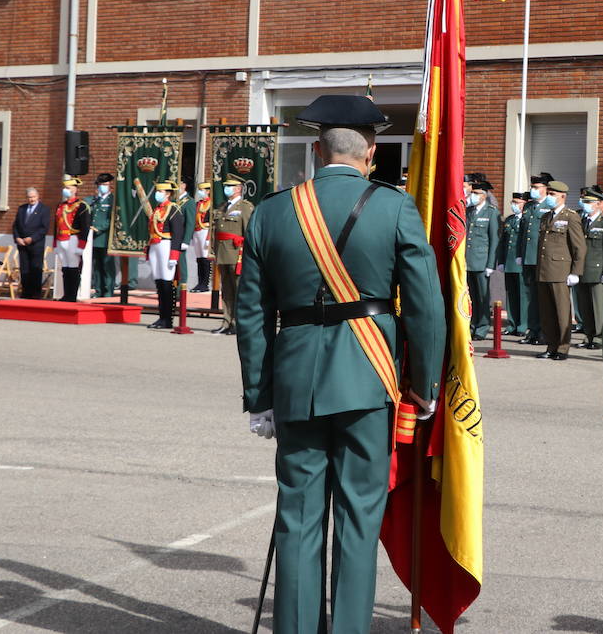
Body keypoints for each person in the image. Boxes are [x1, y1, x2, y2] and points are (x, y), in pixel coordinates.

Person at [234, 95, 445, 634]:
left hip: (297, 381)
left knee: (299, 517)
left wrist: (259, 398)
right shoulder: (395, 207)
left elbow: (252, 315)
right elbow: (424, 306)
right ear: (371, 154)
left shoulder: (274, 210)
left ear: (314, 150)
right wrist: (422, 386)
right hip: (369, 378)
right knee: (358, 517)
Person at [536, 179, 585, 360]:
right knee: (547, 313)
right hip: (544, 270)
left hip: (561, 271)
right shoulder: (545, 216)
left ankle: (563, 348)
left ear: (563, 196)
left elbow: (579, 247)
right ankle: (551, 346)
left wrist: (575, 271)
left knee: (562, 313)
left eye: (552, 194)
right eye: (548, 193)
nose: (549, 197)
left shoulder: (570, 217)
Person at [575, 185, 603, 350]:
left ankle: (599, 337)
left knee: (598, 307)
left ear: (598, 204)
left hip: (597, 271)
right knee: (585, 306)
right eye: (585, 201)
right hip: (582, 270)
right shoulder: (582, 221)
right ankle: (589, 335)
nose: (585, 204)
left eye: (589, 202)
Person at [210, 173, 253, 336]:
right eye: (226, 186)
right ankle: (226, 321)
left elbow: (248, 232)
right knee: (226, 290)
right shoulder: (222, 207)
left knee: (238, 290)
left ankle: (237, 322)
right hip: (223, 254)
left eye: (230, 186)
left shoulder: (245, 207)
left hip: (237, 255)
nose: (226, 189)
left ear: (239, 189)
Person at [144, 180, 185, 328]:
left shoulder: (173, 209)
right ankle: (161, 316)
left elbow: (178, 233)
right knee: (159, 282)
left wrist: (174, 255)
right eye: (158, 191)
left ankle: (168, 319)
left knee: (167, 282)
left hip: (166, 245)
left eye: (161, 192)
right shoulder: (157, 209)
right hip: (155, 245)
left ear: (168, 193)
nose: (158, 194)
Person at [518, 172, 553, 345]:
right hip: (528, 257)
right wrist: (519, 254)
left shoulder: (550, 206)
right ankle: (532, 330)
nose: (533, 190)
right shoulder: (529, 206)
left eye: (537, 187)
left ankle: (544, 332)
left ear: (546, 189)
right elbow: (523, 233)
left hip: (542, 258)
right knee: (531, 297)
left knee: (543, 298)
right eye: (532, 187)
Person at [465, 178, 499, 340]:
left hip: (481, 261)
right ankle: (472, 324)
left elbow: (494, 240)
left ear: (484, 195)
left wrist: (491, 264)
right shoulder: (469, 211)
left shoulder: (491, 212)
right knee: (470, 297)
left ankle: (483, 326)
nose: (474, 196)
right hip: (467, 261)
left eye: (477, 193)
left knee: (482, 297)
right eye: (473, 192)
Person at [495, 192, 529, 336]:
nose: (514, 205)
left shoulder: (527, 220)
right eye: (513, 202)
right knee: (511, 295)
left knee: (523, 295)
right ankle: (512, 324)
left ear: (524, 204)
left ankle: (523, 325)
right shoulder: (509, 220)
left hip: (520, 262)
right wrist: (501, 261)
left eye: (517, 202)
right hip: (509, 262)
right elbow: (503, 242)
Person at [53, 177, 91, 302]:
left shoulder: (82, 206)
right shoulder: (61, 205)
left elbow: (85, 227)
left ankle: (72, 295)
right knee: (65, 268)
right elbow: (56, 225)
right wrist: (55, 243)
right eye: (65, 188)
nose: (66, 190)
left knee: (74, 268)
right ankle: (66, 294)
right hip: (61, 238)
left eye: (68, 188)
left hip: (73, 238)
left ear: (75, 190)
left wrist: (81, 246)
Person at [13, 186, 50, 299]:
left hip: (36, 245)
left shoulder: (44, 209)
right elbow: (15, 226)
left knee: (35, 269)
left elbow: (44, 228)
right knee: (24, 269)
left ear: (38, 196)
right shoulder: (22, 208)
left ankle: (35, 293)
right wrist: (17, 238)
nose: (31, 199)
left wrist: (32, 238)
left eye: (33, 197)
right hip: (22, 245)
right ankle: (26, 292)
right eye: (29, 197)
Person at [88, 173, 116, 298]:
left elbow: (111, 219)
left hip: (105, 238)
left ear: (110, 186)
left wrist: (98, 229)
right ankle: (98, 290)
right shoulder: (95, 199)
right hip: (93, 238)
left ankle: (108, 291)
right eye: (101, 184)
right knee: (97, 266)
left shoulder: (112, 200)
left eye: (105, 184)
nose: (103, 187)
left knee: (107, 266)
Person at [189, 182, 213, 293]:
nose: (200, 192)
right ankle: (200, 282)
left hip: (206, 230)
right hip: (197, 231)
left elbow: (213, 222)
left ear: (208, 191)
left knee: (205, 258)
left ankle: (205, 283)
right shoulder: (198, 203)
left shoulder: (211, 204)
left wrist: (209, 237)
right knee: (199, 258)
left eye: (202, 190)